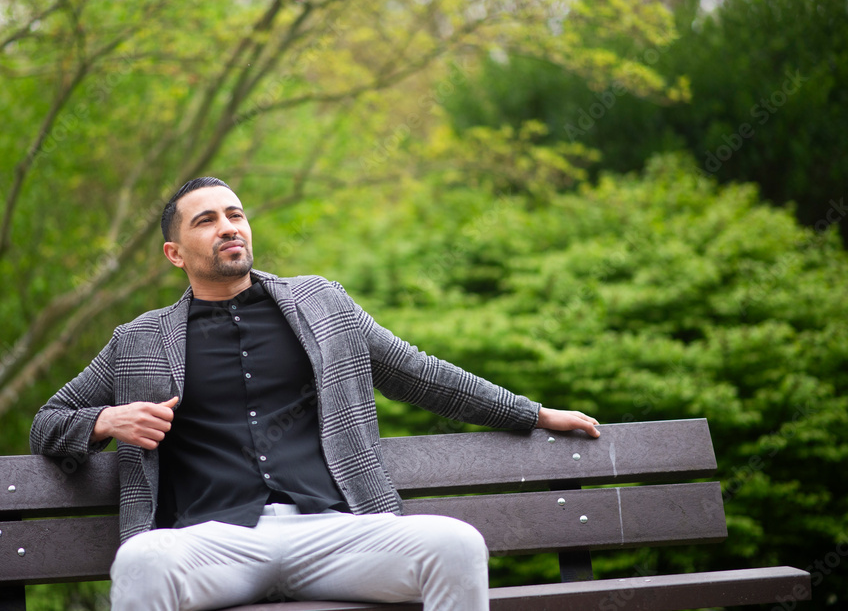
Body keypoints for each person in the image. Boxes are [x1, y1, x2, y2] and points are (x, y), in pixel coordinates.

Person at [30, 176, 600, 611]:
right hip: (214, 542)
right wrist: (104, 422)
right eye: (206, 221)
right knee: (140, 560)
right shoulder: (139, 341)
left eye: (236, 214)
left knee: (456, 545)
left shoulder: (321, 304)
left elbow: (420, 374)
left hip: (334, 531)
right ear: (175, 253)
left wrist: (533, 413)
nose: (228, 227)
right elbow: (47, 421)